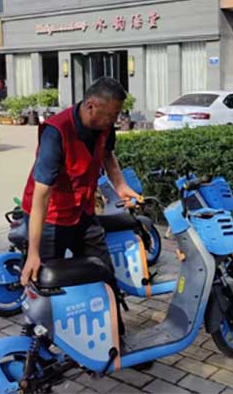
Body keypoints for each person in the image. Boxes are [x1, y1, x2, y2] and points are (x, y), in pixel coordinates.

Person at [19, 77, 141, 299]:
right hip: (50, 218)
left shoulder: (104, 126)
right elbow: (41, 195)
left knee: (104, 273)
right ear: (91, 106)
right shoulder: (57, 132)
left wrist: (120, 185)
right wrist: (33, 253)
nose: (116, 120)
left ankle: (112, 318)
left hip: (82, 211)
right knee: (47, 281)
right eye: (112, 114)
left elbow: (107, 154)